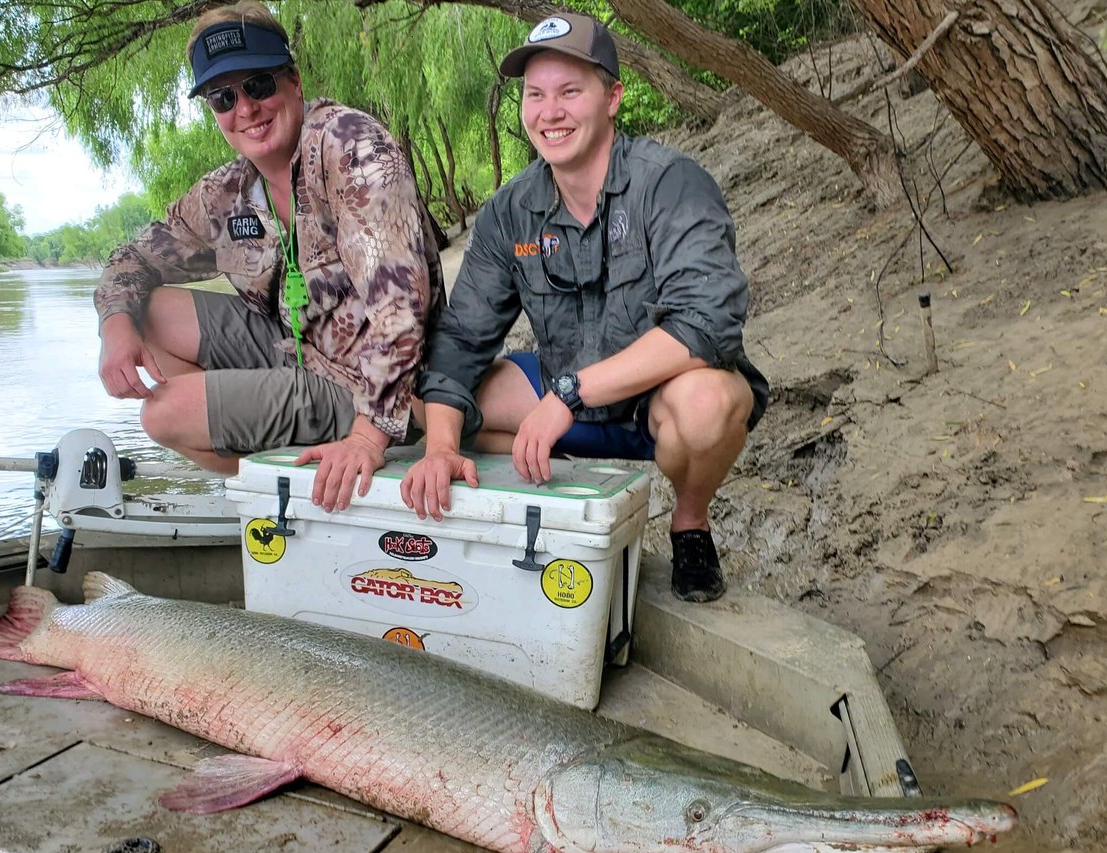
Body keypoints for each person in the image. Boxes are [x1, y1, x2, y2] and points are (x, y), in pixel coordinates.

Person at [400, 13, 768, 602]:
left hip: (656, 401)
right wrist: (441, 447)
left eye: (571, 91)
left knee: (708, 405)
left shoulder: (670, 183)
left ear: (612, 97)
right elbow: (460, 341)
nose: (551, 112)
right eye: (536, 94)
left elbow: (706, 323)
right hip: (561, 397)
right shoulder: (507, 212)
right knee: (429, 406)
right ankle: (570, 474)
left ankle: (690, 523)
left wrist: (570, 394)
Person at [94, 2, 443, 512]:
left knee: (162, 417)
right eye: (222, 97)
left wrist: (369, 436)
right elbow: (133, 257)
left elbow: (402, 307)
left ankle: (315, 473)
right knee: (148, 312)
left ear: (293, 81)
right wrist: (113, 326)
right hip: (296, 350)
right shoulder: (227, 191)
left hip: (373, 385)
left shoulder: (351, 147)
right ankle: (284, 463)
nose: (246, 108)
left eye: (258, 84)